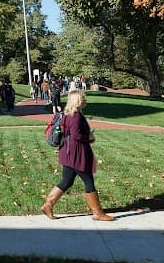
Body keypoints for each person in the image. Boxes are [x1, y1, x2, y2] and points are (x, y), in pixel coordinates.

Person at [41, 90, 115, 221]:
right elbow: (76, 135)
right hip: (77, 154)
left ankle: (48, 204)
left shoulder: (67, 114)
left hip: (68, 152)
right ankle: (97, 212)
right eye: (83, 98)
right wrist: (89, 137)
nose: (85, 100)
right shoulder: (76, 116)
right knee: (88, 181)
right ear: (78, 100)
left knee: (67, 181)